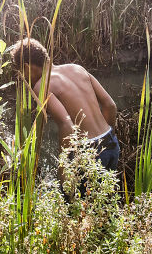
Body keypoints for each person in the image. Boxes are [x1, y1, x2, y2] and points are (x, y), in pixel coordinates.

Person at [10, 37, 119, 174]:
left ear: (27, 66)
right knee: (106, 194)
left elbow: (66, 124)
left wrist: (63, 167)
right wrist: (107, 139)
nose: (24, 78)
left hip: (87, 152)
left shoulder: (42, 85)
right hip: (111, 143)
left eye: (22, 73)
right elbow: (110, 105)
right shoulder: (77, 68)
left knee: (73, 195)